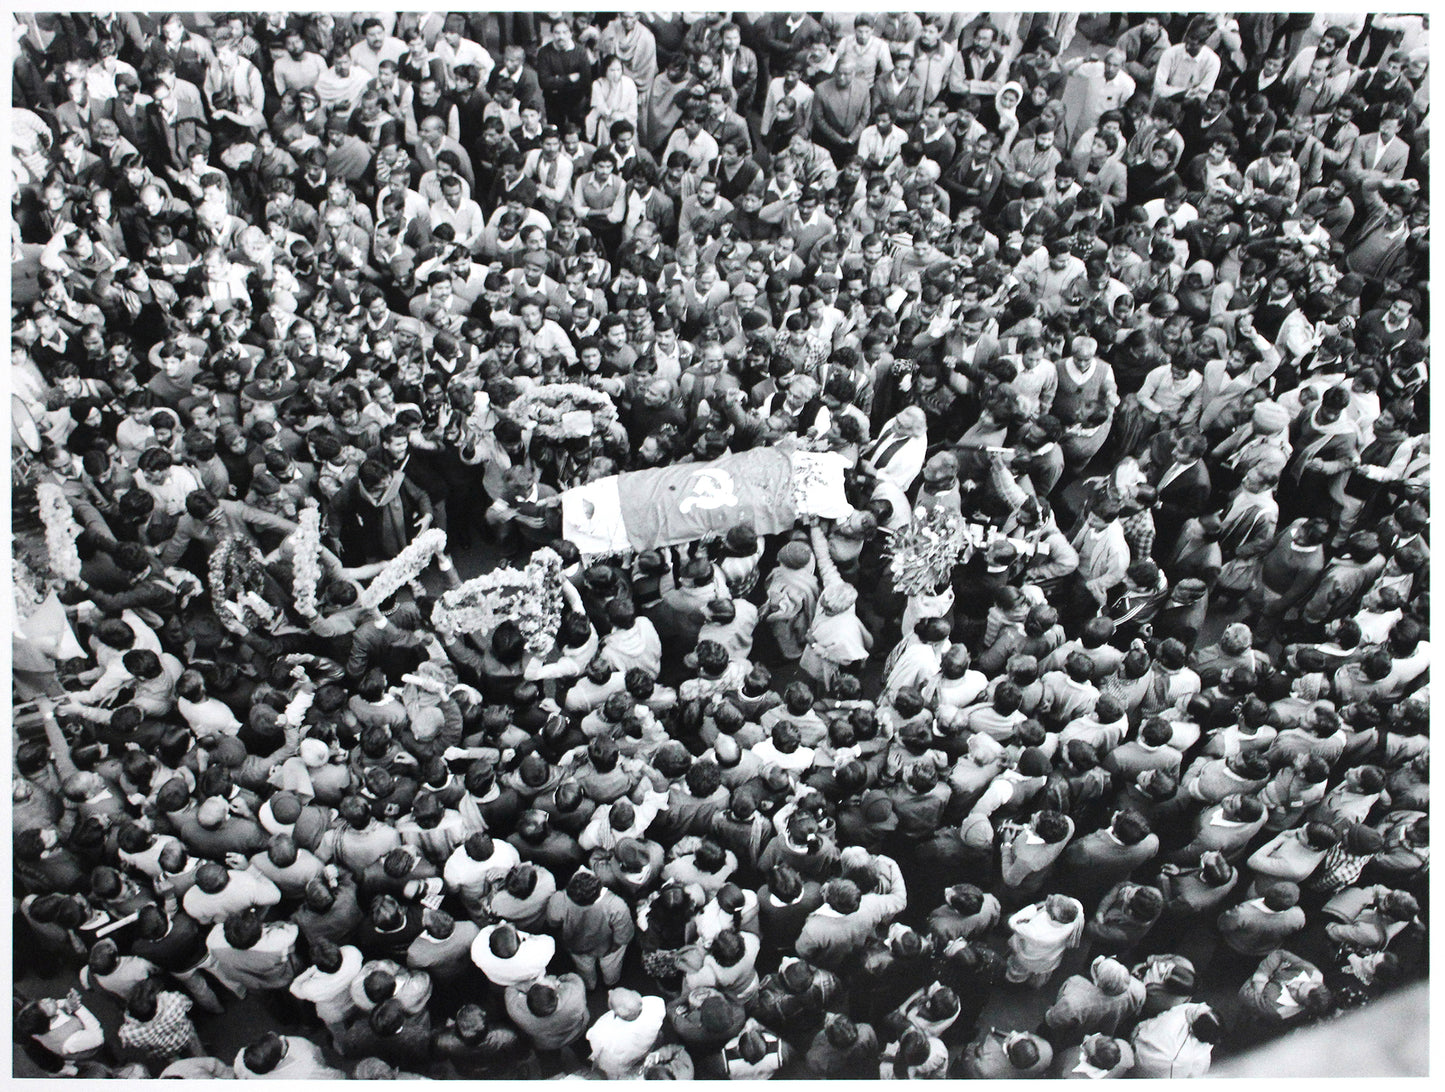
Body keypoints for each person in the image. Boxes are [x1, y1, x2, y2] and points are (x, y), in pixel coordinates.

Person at [8, 10, 1428, 1083]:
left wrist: (777, 563)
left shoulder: (620, 783)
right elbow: (787, 605)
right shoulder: (734, 699)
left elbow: (771, 596)